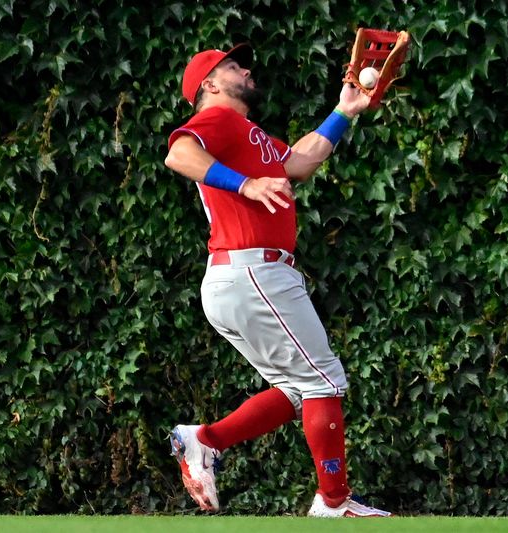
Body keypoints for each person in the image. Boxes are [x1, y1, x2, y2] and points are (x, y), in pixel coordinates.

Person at [164, 42, 390, 518]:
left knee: (296, 389)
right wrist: (245, 185)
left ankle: (204, 440)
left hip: (238, 276)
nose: (246, 69)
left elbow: (300, 162)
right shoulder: (219, 120)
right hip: (254, 271)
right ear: (209, 84)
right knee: (323, 381)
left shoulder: (247, 134)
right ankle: (334, 502)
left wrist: (344, 111)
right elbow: (178, 154)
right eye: (232, 66)